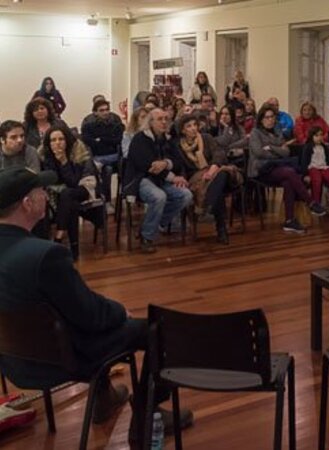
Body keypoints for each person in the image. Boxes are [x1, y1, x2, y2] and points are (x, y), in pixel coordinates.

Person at [0, 166, 193, 444]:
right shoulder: (46, 256)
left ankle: (104, 400)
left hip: (13, 361)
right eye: (41, 190)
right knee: (154, 328)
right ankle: (147, 417)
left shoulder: (31, 253)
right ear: (27, 203)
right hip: (64, 360)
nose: (46, 194)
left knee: (73, 317)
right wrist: (119, 311)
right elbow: (91, 316)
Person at [248, 104, 326, 233]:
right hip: (260, 169)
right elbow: (259, 153)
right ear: (261, 119)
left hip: (277, 167)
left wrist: (271, 148)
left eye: (272, 117)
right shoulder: (255, 133)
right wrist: (278, 151)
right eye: (267, 117)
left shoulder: (277, 132)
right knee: (289, 172)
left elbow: (286, 152)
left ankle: (289, 221)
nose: (270, 120)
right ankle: (311, 203)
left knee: (288, 181)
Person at [124, 108, 193, 253]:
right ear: (150, 122)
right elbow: (147, 166)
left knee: (186, 195)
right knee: (159, 196)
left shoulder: (168, 139)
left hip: (162, 179)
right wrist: (172, 176)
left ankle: (151, 225)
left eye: (166, 119)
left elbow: (178, 161)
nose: (164, 122)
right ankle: (147, 237)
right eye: (160, 119)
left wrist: (166, 163)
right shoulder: (140, 139)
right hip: (141, 179)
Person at [170, 114, 242, 245]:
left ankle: (210, 205)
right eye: (189, 126)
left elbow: (219, 155)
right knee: (218, 190)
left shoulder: (206, 138)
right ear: (182, 130)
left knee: (221, 174)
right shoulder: (178, 146)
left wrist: (212, 170)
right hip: (197, 179)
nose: (193, 128)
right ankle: (221, 229)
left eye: (195, 125)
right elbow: (181, 169)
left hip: (216, 172)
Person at [39, 125, 101, 261]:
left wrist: (64, 162)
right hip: (64, 194)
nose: (57, 143)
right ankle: (74, 249)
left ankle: (59, 236)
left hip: (84, 187)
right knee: (70, 201)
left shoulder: (78, 152)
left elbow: (74, 182)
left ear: (67, 140)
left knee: (67, 193)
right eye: (53, 140)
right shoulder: (45, 155)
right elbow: (52, 180)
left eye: (61, 139)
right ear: (48, 143)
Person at [81, 100, 125, 208]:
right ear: (95, 112)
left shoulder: (116, 125)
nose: (105, 112)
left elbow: (118, 140)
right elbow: (87, 141)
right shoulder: (89, 126)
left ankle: (113, 199)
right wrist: (107, 141)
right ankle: (105, 201)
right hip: (99, 156)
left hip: (114, 158)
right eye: (101, 110)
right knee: (107, 170)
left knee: (121, 160)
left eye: (107, 110)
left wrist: (101, 139)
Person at [301, 126, 329, 213]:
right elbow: (304, 161)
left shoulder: (324, 147)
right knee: (317, 181)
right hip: (313, 167)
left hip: (324, 167)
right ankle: (316, 203)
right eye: (316, 135)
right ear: (312, 137)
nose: (319, 137)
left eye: (321, 135)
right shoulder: (308, 147)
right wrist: (305, 174)